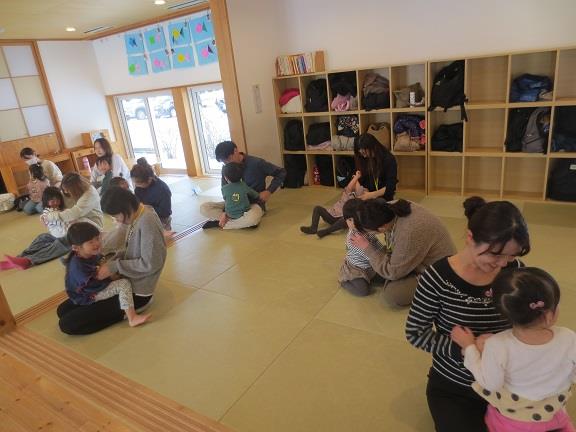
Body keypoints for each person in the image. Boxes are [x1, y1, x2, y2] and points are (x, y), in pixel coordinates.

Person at [405, 196, 531, 432]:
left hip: (508, 382)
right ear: (470, 238)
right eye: (496, 254)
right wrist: (467, 349)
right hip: (456, 387)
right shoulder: (437, 277)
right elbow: (416, 333)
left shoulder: (516, 272)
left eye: (511, 256)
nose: (503, 264)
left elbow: (527, 320)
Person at [452, 267, 576, 432]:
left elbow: (491, 384)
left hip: (514, 422)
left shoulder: (497, 345)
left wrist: (469, 347)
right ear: (548, 315)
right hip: (554, 414)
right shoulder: (568, 336)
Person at [57, 187, 167, 335]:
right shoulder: (135, 215)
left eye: (116, 216)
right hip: (120, 280)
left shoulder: (147, 221)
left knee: (67, 324)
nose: (116, 220)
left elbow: (151, 264)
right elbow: (127, 249)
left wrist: (114, 266)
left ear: (125, 208)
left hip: (137, 292)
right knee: (62, 310)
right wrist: (109, 262)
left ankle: (126, 314)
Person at [347, 198, 456, 305]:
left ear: (381, 228)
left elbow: (392, 273)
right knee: (382, 267)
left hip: (439, 271)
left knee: (393, 294)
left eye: (367, 232)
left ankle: (432, 287)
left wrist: (367, 248)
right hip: (421, 256)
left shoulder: (407, 234)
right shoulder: (390, 207)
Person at [1, 173, 103, 270]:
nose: (66, 192)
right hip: (70, 224)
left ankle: (29, 260)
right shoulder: (70, 191)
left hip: (90, 226)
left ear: (75, 188)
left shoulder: (90, 194)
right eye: (64, 190)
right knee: (44, 237)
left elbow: (75, 213)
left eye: (68, 190)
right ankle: (20, 257)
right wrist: (45, 215)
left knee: (63, 242)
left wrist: (50, 217)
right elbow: (55, 201)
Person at [64, 222, 150, 327]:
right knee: (123, 284)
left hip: (86, 289)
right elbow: (92, 284)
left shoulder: (87, 253)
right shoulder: (77, 265)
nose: (97, 243)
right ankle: (132, 318)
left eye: (97, 238)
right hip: (88, 294)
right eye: (91, 242)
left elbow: (101, 262)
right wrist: (110, 278)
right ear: (76, 248)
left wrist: (107, 270)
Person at [200, 140, 286, 229]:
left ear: (235, 151)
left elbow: (281, 172)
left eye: (229, 159)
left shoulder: (256, 163)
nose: (227, 163)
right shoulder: (226, 168)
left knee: (252, 219)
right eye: (224, 162)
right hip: (233, 204)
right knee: (204, 208)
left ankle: (221, 223)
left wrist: (269, 191)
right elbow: (226, 194)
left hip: (253, 204)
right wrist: (225, 212)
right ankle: (236, 222)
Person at [300, 170, 363, 238]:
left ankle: (327, 231)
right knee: (317, 208)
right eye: (353, 183)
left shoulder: (358, 198)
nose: (353, 184)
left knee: (345, 220)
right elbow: (349, 187)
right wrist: (355, 178)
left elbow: (359, 192)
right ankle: (313, 228)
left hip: (341, 218)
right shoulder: (346, 193)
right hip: (331, 215)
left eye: (355, 184)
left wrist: (356, 178)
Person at [338, 199, 385, 291]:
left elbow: (375, 242)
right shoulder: (352, 238)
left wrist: (383, 251)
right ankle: (344, 281)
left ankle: (370, 277)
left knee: (385, 277)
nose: (353, 223)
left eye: (357, 218)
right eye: (349, 220)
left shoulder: (366, 229)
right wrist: (381, 257)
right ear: (345, 220)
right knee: (363, 290)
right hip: (356, 269)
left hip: (370, 265)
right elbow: (368, 255)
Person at [353, 133, 398, 201]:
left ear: (373, 147)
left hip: (382, 196)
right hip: (365, 194)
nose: (364, 156)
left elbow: (391, 186)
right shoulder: (361, 158)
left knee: (380, 203)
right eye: (361, 153)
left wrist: (371, 195)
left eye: (365, 153)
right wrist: (360, 188)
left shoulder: (388, 159)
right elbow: (356, 176)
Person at [131, 158, 172, 231]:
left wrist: (145, 208)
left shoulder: (163, 190)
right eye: (134, 182)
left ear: (149, 179)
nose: (136, 185)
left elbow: (165, 212)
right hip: (144, 216)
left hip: (161, 220)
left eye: (138, 183)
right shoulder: (139, 187)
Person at [220, 162, 261, 228]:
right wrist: (258, 196)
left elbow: (226, 199)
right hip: (244, 213)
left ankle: (226, 222)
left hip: (230, 214)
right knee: (257, 208)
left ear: (226, 178)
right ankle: (243, 224)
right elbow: (255, 195)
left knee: (206, 208)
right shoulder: (243, 185)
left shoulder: (224, 188)